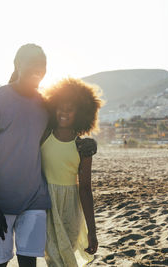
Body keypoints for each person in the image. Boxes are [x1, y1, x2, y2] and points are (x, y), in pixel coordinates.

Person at [0, 44, 97, 267]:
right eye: (32, 63)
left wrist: (88, 141)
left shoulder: (44, 105)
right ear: (17, 65)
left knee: (29, 263)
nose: (38, 69)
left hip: (35, 201)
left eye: (43, 65)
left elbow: (65, 130)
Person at [41, 78, 103, 266]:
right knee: (52, 256)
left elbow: (85, 188)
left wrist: (92, 231)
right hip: (45, 203)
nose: (64, 112)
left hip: (71, 208)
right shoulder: (43, 135)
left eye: (71, 109)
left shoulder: (83, 147)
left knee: (67, 256)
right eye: (60, 107)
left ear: (81, 113)